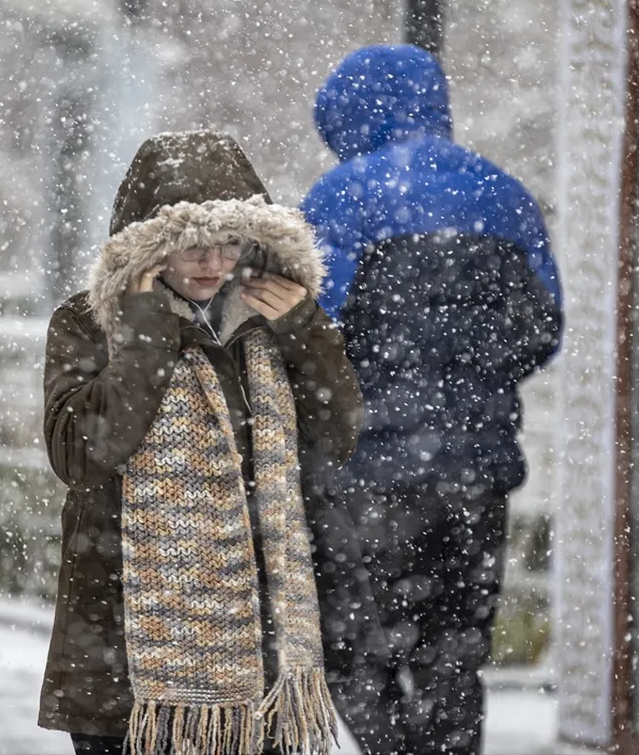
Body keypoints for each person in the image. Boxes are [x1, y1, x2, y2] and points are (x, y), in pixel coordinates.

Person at [37, 131, 366, 755]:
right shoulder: (88, 324)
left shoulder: (272, 321)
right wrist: (144, 335)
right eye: (192, 246)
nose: (213, 263)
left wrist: (305, 333)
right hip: (124, 654)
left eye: (229, 243)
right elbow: (81, 453)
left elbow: (337, 436)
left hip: (257, 655)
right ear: (147, 249)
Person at [301, 44, 563, 755]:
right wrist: (467, 388)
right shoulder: (506, 197)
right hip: (478, 469)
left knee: (355, 650)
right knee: (453, 654)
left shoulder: (340, 199)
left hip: (365, 474)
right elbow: (543, 331)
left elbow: (307, 332)